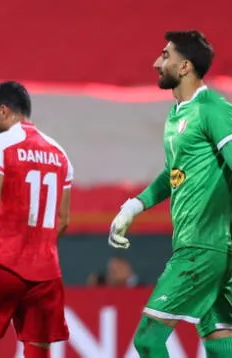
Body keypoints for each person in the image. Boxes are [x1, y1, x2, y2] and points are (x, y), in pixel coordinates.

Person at [109, 30, 232, 357]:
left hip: (202, 247)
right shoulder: (177, 114)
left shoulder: (213, 109)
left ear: (185, 67)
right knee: (221, 343)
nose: (156, 62)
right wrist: (135, 206)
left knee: (148, 339)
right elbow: (174, 173)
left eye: (165, 56)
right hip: (209, 246)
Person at [0, 81, 73, 358]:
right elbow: (63, 220)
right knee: (37, 349)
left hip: (4, 263)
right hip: (47, 272)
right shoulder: (61, 155)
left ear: (3, 110)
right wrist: (39, 245)